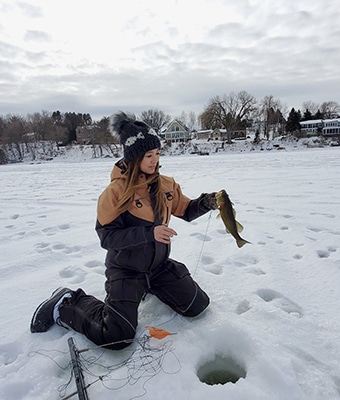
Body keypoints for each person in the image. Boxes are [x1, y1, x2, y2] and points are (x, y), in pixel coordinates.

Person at [30, 111, 217, 350]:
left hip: (158, 268)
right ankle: (66, 302)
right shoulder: (115, 193)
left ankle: (151, 288)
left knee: (197, 305)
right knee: (118, 336)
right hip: (126, 270)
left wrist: (206, 202)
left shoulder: (167, 184)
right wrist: (149, 234)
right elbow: (107, 237)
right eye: (148, 155)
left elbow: (186, 210)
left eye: (157, 153)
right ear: (134, 156)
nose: (154, 160)